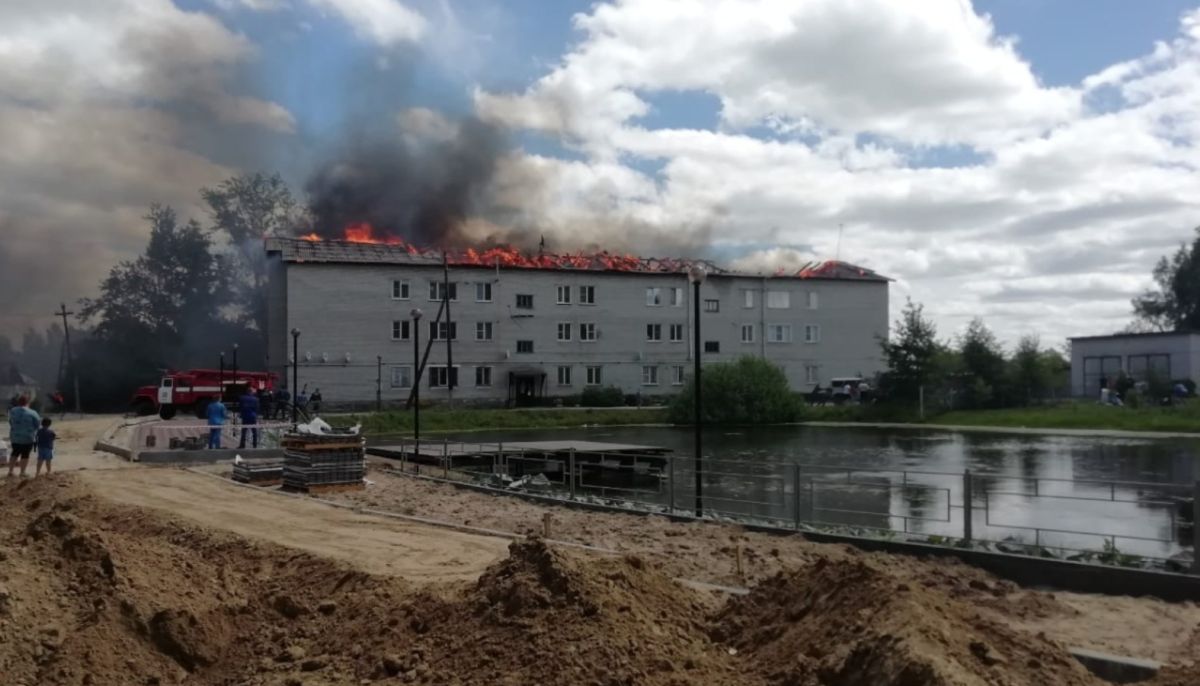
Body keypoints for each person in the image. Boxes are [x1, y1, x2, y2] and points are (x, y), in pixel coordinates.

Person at [7, 396, 41, 478]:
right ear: (27, 402)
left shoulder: (13, 411)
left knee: (14, 453)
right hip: (27, 437)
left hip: (15, 436)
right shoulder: (32, 412)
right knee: (25, 454)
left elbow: (10, 421)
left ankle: (10, 471)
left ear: (18, 402)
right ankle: (22, 472)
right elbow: (37, 424)